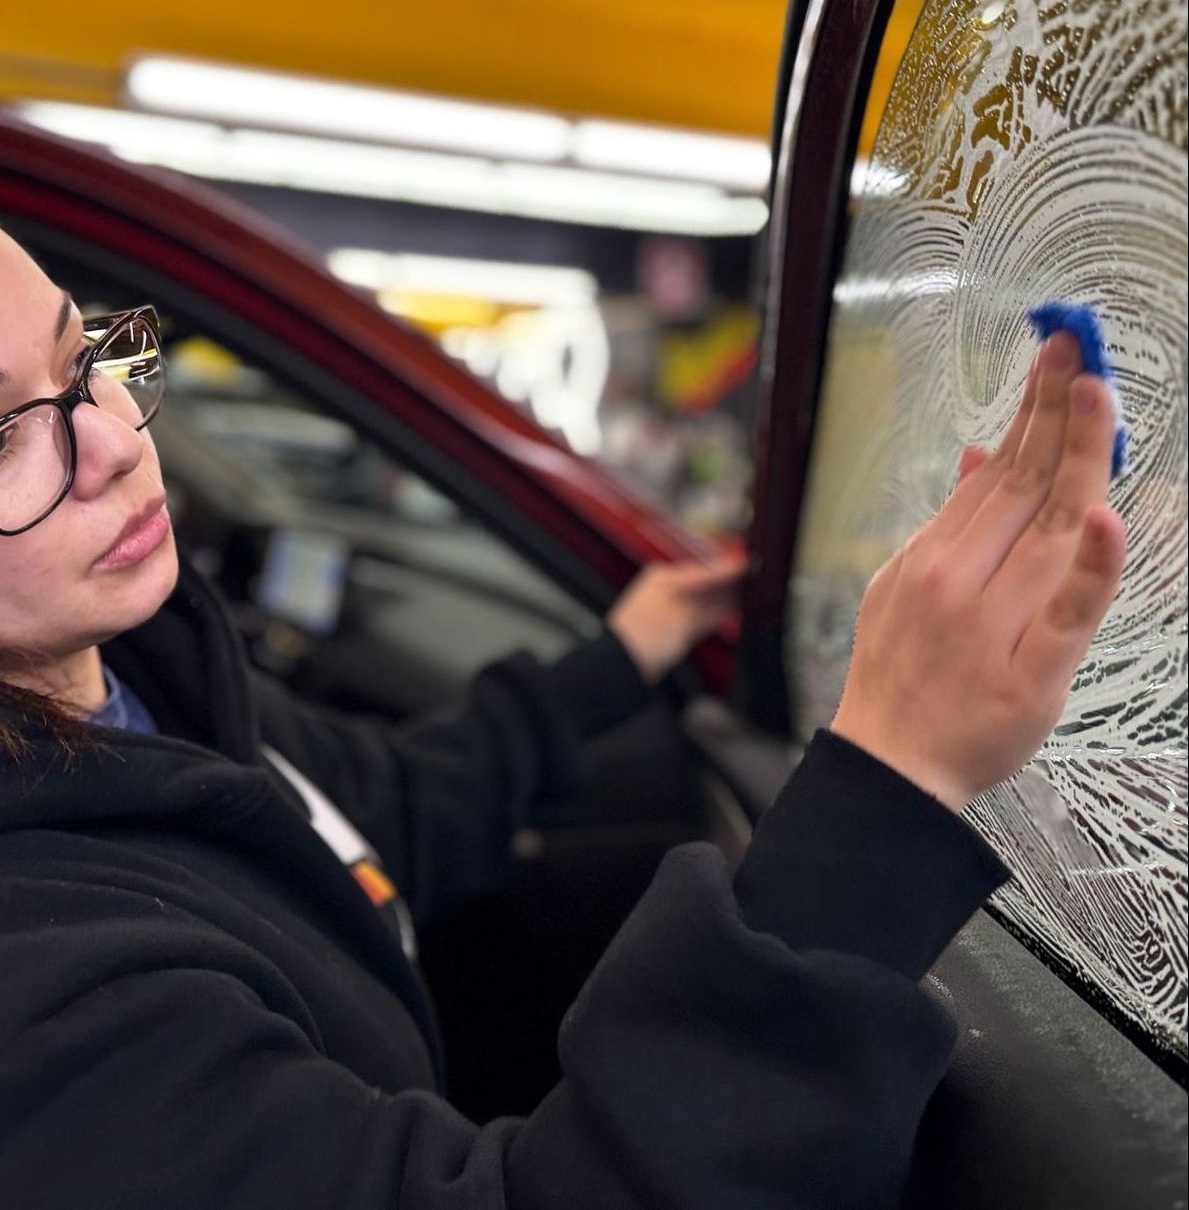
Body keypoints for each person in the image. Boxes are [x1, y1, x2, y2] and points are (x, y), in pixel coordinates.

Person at [0, 224, 1125, 1209]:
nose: (113, 440)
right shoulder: (50, 1013)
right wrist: (890, 778)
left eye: (80, 356)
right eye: (2, 438)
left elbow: (379, 812)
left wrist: (621, 653)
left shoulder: (141, 672)